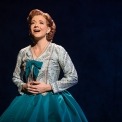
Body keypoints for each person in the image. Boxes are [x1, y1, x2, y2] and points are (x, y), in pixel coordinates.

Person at [0, 9, 88, 122]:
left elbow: (73, 77)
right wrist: (24, 86)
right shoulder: (23, 52)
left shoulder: (57, 50)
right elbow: (15, 77)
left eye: (41, 22)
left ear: (48, 29)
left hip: (53, 103)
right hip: (27, 103)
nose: (36, 25)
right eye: (33, 23)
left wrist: (48, 87)